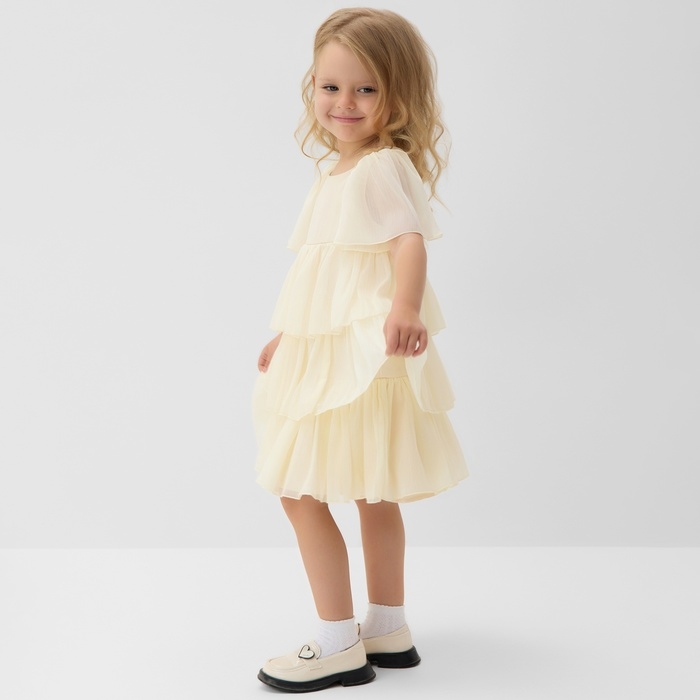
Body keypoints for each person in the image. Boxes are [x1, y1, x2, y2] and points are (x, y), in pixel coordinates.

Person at [252, 7, 468, 692]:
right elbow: (331, 271)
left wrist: (405, 307)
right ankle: (387, 626)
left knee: (299, 489)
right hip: (344, 345)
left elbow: (408, 243)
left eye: (366, 89)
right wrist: (293, 333)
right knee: (372, 490)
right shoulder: (341, 170)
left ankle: (337, 641)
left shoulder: (377, 167)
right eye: (330, 86)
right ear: (311, 87)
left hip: (367, 349)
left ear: (398, 96)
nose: (344, 102)